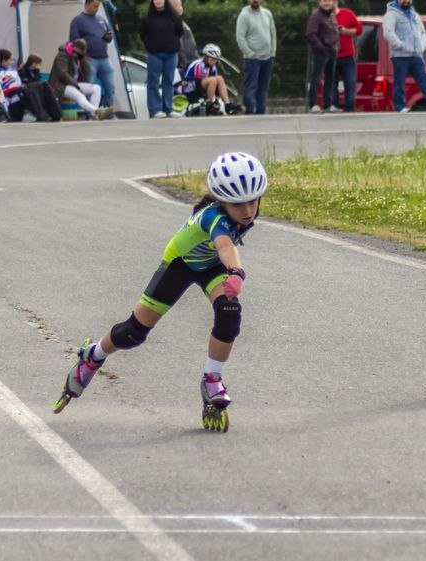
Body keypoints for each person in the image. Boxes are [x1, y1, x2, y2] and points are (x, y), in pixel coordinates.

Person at [53, 152, 269, 433]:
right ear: (221, 200)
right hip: (180, 264)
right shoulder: (214, 217)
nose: (247, 210)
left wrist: (230, 272)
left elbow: (226, 246)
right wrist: (237, 272)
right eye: (238, 204)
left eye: (253, 201)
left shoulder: (245, 209)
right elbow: (226, 245)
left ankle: (212, 379)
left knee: (229, 311)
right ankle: (92, 355)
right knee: (133, 333)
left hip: (211, 264)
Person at [382, 0, 426, 113]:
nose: (407, 1)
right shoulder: (391, 15)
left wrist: (422, 45)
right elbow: (388, 33)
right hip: (400, 56)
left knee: (425, 79)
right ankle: (400, 107)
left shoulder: (415, 15)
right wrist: (400, 45)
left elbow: (422, 31)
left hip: (416, 55)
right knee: (399, 82)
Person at [48, 39, 114, 120]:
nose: (75, 54)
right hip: (60, 85)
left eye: (78, 53)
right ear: (72, 47)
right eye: (74, 51)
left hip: (72, 83)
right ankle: (97, 112)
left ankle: (93, 115)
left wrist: (82, 58)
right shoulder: (62, 55)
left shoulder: (79, 58)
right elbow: (63, 74)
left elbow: (87, 71)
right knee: (80, 95)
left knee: (96, 88)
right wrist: (77, 86)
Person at [70, 0, 116, 112]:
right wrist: (82, 57)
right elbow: (74, 41)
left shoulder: (101, 19)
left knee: (111, 87)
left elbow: (109, 33)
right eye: (94, 6)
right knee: (90, 88)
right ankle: (90, 112)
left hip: (104, 58)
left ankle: (107, 111)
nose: (97, 9)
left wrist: (109, 36)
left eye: (98, 6)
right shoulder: (77, 20)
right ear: (87, 4)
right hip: (89, 59)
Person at [140, 0, 184, 118]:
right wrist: (150, 46)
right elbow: (143, 35)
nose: (158, 1)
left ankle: (168, 109)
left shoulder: (174, 17)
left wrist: (172, 44)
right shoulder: (147, 18)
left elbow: (179, 32)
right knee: (153, 82)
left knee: (168, 81)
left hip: (171, 54)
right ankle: (155, 110)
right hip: (154, 55)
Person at [236, 0, 277, 115]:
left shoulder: (268, 14)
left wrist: (272, 53)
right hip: (252, 59)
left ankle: (261, 111)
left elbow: (273, 34)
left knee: (263, 87)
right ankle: (250, 110)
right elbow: (240, 37)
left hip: (267, 58)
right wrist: (249, 53)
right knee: (251, 86)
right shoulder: (244, 15)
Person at [180, 43, 241, 116]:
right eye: (212, 59)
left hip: (204, 85)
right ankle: (210, 102)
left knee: (219, 78)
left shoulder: (213, 67)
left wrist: (218, 95)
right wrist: (204, 96)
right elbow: (197, 82)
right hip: (191, 87)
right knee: (212, 80)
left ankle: (227, 104)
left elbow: (217, 84)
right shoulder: (198, 64)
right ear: (206, 57)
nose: (214, 61)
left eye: (216, 60)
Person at [306, 0, 339, 113]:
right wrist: (321, 47)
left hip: (332, 51)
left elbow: (334, 32)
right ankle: (313, 104)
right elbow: (310, 34)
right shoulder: (316, 16)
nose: (326, 3)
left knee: (330, 79)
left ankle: (328, 104)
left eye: (329, 1)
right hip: (321, 53)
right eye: (324, 1)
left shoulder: (332, 16)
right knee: (316, 78)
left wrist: (336, 46)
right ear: (319, 2)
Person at [334, 0, 362, 112]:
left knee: (350, 83)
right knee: (331, 85)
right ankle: (334, 108)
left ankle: (350, 108)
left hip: (348, 56)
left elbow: (359, 30)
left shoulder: (347, 13)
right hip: (331, 56)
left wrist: (345, 31)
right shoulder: (322, 17)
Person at [18, 54, 63, 122]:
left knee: (46, 86)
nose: (40, 66)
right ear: (33, 64)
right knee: (37, 89)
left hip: (35, 92)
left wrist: (36, 72)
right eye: (39, 64)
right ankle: (43, 115)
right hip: (27, 93)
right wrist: (36, 72)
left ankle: (56, 114)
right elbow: (29, 84)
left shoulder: (35, 71)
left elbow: (38, 83)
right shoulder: (23, 72)